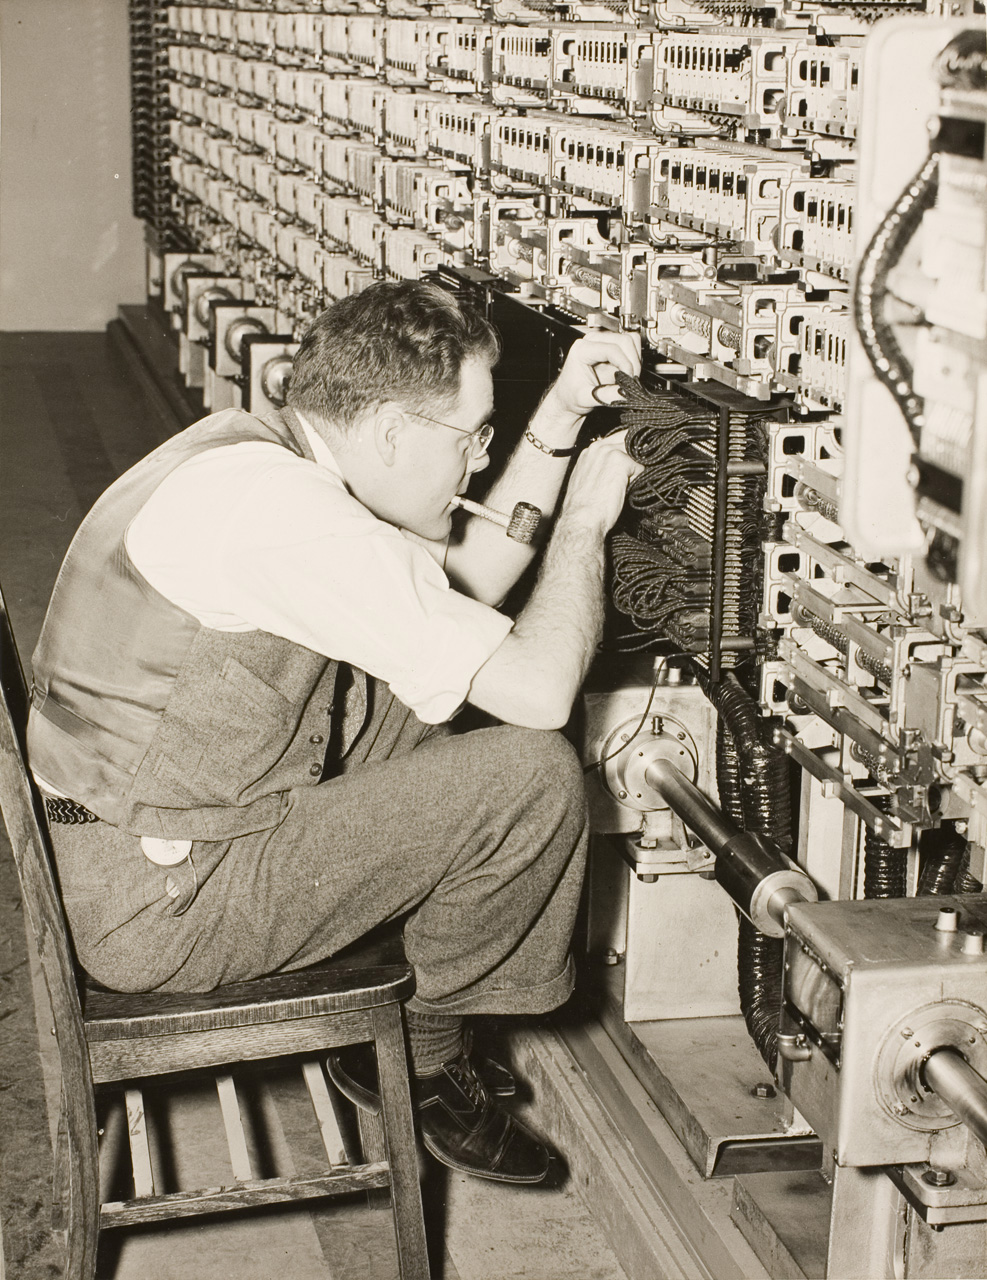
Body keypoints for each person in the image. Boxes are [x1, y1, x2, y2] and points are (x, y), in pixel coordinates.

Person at [27, 279, 642, 1184]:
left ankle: (416, 1021)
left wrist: (559, 418)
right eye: (472, 436)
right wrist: (584, 523)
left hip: (130, 839)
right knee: (532, 772)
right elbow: (543, 691)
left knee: (433, 680)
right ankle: (420, 1055)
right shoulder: (294, 521)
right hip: (162, 909)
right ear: (391, 431)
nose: (477, 461)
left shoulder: (250, 454)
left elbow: (469, 583)